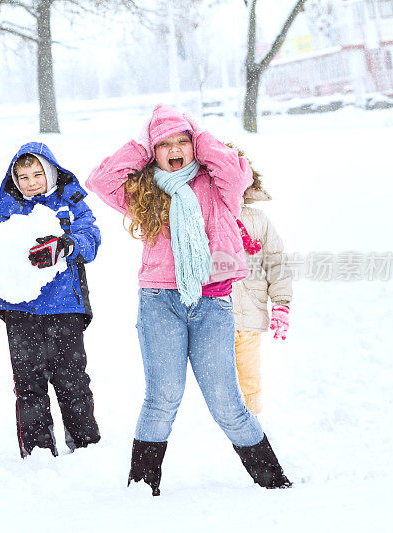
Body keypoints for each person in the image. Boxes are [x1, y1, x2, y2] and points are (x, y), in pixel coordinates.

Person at [85, 104, 291, 495]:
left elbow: (235, 168)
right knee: (162, 396)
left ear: (195, 144)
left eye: (183, 140)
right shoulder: (145, 192)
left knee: (227, 402)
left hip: (212, 303)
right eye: (165, 143)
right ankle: (143, 486)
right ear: (153, 151)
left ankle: (272, 480)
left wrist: (198, 134)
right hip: (160, 301)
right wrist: (143, 147)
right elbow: (101, 180)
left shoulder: (218, 186)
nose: (175, 148)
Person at [0, 142, 101, 457]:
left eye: (37, 174)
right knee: (28, 383)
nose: (31, 182)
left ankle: (85, 446)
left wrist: (65, 245)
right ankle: (37, 450)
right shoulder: (6, 212)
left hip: (64, 307)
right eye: (23, 177)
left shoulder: (71, 203)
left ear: (51, 172)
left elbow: (91, 239)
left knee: (71, 379)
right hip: (18, 311)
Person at [228, 145, 292, 416]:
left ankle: (252, 421)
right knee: (220, 376)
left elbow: (276, 261)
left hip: (250, 311)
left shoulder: (257, 220)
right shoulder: (203, 218)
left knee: (249, 374)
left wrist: (281, 302)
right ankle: (227, 420)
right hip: (213, 314)